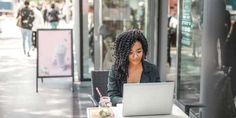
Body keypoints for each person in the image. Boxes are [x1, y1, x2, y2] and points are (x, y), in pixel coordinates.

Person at [107, 29, 160, 106]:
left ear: (143, 50)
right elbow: (112, 97)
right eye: (130, 52)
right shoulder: (115, 70)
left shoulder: (152, 70)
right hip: (123, 111)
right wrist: (128, 101)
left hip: (147, 110)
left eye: (139, 51)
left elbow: (157, 95)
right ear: (123, 54)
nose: (135, 56)